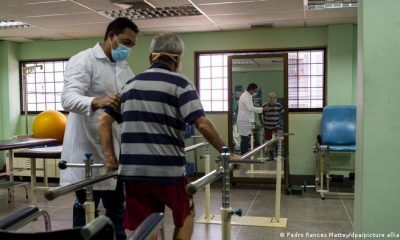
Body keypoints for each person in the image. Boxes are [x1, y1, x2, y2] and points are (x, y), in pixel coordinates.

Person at [98, 32, 239, 240]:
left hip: (133, 171)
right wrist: (228, 152)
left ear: (151, 57)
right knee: (187, 213)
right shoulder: (180, 84)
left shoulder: (129, 85)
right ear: (177, 58)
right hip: (168, 171)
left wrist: (110, 158)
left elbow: (104, 121)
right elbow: (202, 123)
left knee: (148, 223)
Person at [60, 17, 139, 240]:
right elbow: (67, 99)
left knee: (117, 214)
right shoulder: (83, 60)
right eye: (125, 42)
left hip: (113, 154)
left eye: (132, 45)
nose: (128, 48)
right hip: (87, 153)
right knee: (86, 216)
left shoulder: (124, 68)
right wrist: (97, 101)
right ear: (111, 36)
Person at [237, 83, 263, 155]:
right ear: (251, 89)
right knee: (245, 138)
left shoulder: (246, 95)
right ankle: (244, 154)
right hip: (245, 120)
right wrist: (262, 109)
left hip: (245, 120)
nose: (255, 92)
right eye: (255, 91)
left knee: (246, 138)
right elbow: (250, 108)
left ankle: (244, 153)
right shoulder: (246, 96)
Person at [259, 91, 284, 160]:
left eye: (274, 98)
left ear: (276, 98)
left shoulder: (279, 106)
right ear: (268, 98)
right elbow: (259, 114)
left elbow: (284, 114)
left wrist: (282, 123)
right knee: (269, 141)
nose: (272, 99)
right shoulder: (264, 106)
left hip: (276, 126)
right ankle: (271, 155)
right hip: (267, 127)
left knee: (276, 140)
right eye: (271, 98)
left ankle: (277, 153)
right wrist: (262, 123)